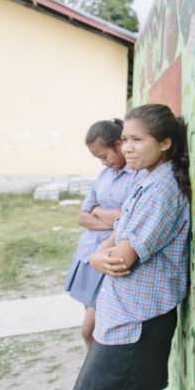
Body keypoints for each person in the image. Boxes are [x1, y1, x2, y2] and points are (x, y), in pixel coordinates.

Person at [71, 104, 191, 390]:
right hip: (124, 315)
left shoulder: (163, 190)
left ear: (164, 143)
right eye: (124, 140)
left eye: (136, 140)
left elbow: (121, 260)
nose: (126, 148)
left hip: (137, 323)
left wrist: (97, 257)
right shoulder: (146, 177)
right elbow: (120, 226)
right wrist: (101, 253)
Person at [65, 119, 143, 348]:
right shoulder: (104, 176)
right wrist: (109, 217)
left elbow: (126, 218)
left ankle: (95, 380)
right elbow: (83, 217)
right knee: (91, 325)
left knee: (90, 329)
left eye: (103, 156)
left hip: (110, 255)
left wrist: (98, 211)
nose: (103, 163)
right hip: (88, 254)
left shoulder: (136, 175)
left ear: (118, 145)